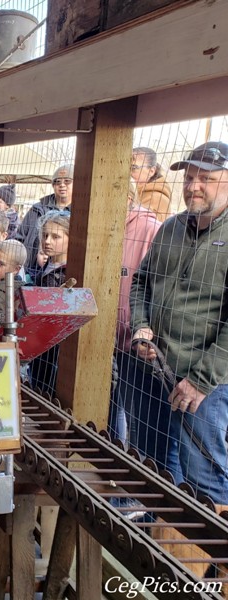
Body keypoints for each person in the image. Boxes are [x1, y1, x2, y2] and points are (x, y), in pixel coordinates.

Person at [129, 141, 228, 505]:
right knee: (153, 472)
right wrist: (141, 325)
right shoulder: (171, 227)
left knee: (205, 482)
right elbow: (141, 281)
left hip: (206, 385)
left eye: (206, 178)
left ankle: (214, 559)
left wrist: (201, 381)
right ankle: (159, 555)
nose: (193, 186)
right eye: (188, 177)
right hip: (155, 369)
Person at [110, 182, 162, 444]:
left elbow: (148, 284)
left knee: (136, 414)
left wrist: (140, 325)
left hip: (135, 339)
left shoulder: (150, 228)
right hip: (109, 335)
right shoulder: (105, 224)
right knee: (114, 406)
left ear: (128, 197)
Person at [29, 210, 70, 397]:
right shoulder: (46, 266)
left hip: (56, 348)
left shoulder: (67, 273)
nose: (47, 241)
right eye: (45, 235)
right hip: (40, 341)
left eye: (56, 237)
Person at [15, 164, 74, 281]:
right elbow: (19, 238)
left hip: (62, 272)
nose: (62, 185)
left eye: (67, 181)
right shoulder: (37, 209)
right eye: (57, 182)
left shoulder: (81, 212)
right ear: (53, 185)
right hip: (29, 270)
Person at [131, 146, 172, 221]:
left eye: (134, 168)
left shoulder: (156, 199)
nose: (129, 173)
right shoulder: (139, 192)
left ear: (151, 171)